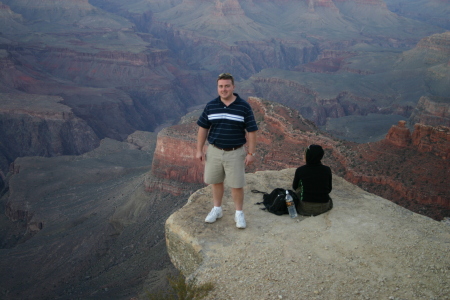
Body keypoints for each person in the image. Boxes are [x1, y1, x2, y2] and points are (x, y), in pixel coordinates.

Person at [196, 73, 258, 229]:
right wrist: (199, 149)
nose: (224, 89)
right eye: (221, 86)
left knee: (236, 184)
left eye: (227, 86)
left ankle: (239, 213)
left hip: (235, 152)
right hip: (214, 151)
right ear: (217, 87)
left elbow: (251, 131)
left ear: (233, 87)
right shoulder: (211, 106)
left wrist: (251, 153)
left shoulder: (243, 106)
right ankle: (217, 209)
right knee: (216, 181)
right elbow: (203, 128)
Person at [292, 144, 333, 216]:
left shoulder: (301, 170)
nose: (303, 155)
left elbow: (295, 187)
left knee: (299, 190)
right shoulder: (327, 170)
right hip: (324, 207)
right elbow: (329, 189)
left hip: (305, 209)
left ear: (308, 156)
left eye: (305, 153)